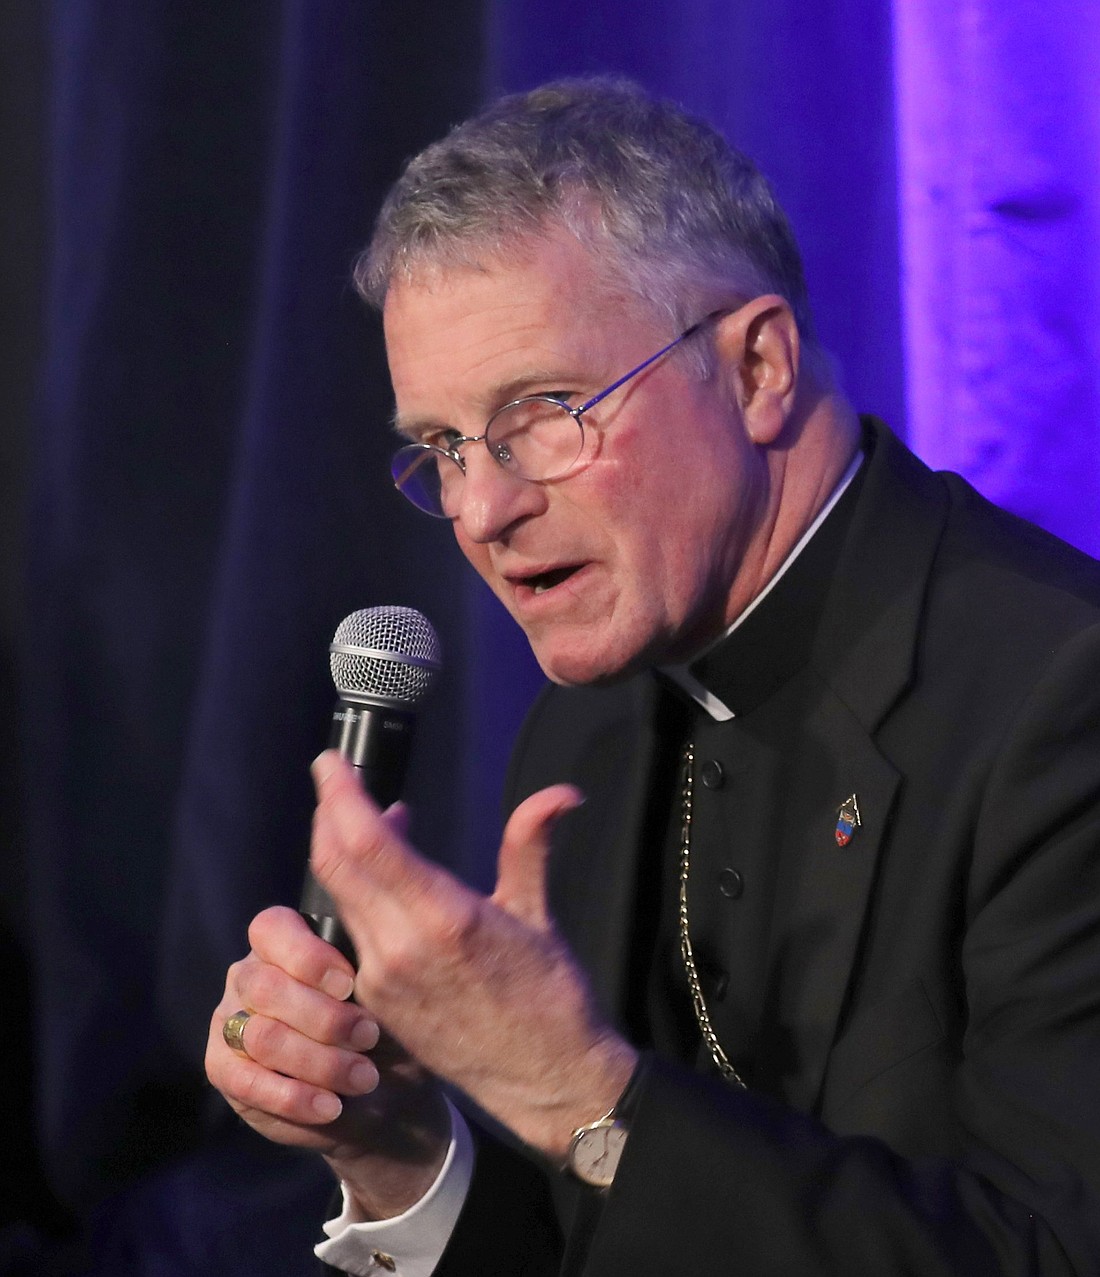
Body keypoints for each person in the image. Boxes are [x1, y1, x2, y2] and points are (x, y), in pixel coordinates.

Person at [204, 78, 1100, 1274]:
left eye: (544, 411)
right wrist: (400, 1152)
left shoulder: (1062, 696)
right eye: (441, 447)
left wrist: (572, 1084)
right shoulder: (587, 735)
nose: (481, 507)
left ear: (757, 366)